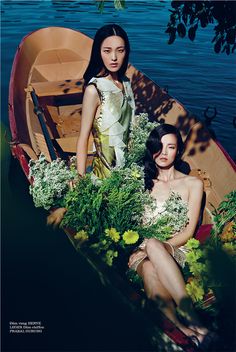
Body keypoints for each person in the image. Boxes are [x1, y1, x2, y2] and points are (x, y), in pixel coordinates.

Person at [128, 124, 211, 347]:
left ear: (178, 151)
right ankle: (184, 329)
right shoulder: (142, 184)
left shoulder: (192, 184)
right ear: (151, 149)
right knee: (147, 266)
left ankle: (191, 317)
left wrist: (155, 247)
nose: (163, 153)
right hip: (143, 251)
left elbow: (189, 231)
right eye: (158, 147)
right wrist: (144, 248)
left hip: (176, 247)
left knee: (154, 246)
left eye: (170, 147)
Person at [76, 24, 135, 179]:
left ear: (126, 52)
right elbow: (83, 136)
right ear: (99, 53)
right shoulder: (94, 89)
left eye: (120, 50)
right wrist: (80, 177)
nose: (114, 57)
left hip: (130, 169)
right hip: (105, 174)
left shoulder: (126, 83)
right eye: (107, 51)